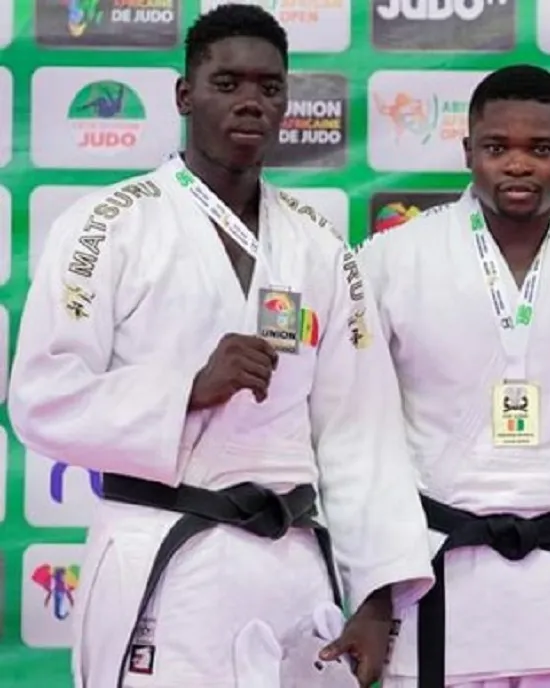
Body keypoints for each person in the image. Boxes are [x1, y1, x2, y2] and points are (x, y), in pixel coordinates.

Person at [8, 5, 434, 688]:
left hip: (292, 568)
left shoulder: (319, 247)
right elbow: (41, 396)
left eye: (269, 88)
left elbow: (361, 432)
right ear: (185, 94)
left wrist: (377, 598)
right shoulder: (106, 225)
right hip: (163, 561)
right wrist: (186, 390)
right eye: (227, 83)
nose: (251, 103)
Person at [330, 64, 550, 687]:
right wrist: (377, 580)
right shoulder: (392, 258)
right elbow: (358, 431)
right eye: (497, 148)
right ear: (468, 152)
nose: (518, 165)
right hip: (438, 575)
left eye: (541, 149)